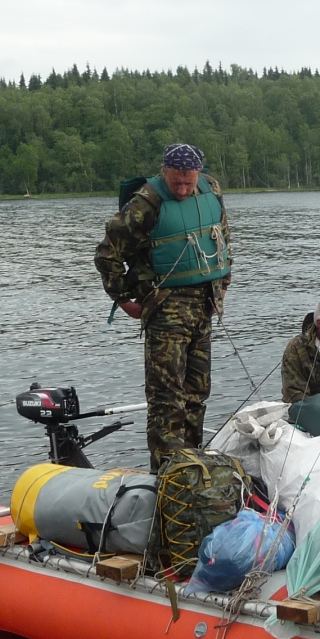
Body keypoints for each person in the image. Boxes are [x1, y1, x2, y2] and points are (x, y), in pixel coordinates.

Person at [94, 143, 232, 470]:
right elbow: (106, 254)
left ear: (199, 174)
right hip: (166, 309)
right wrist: (123, 299)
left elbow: (222, 238)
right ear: (164, 172)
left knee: (196, 394)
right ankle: (167, 474)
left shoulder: (210, 190)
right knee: (167, 401)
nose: (183, 190)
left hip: (204, 306)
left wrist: (222, 287)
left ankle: (192, 465)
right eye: (176, 183)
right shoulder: (145, 204)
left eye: (188, 183)